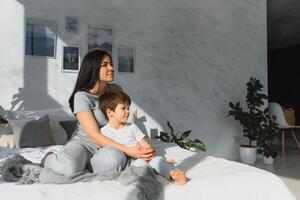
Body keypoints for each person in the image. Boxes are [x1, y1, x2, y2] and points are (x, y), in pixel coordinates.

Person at [43, 50, 155, 176]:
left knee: (115, 160)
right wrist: (128, 150)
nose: (111, 68)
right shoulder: (81, 96)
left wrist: (140, 146)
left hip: (110, 143)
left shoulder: (115, 90)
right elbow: (93, 136)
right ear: (93, 68)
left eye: (111, 64)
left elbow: (122, 122)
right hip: (84, 144)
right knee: (67, 170)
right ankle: (49, 157)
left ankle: (87, 165)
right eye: (105, 64)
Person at [99, 90, 187, 185]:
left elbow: (145, 144)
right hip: (128, 162)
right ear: (109, 112)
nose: (127, 112)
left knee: (157, 161)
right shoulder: (104, 132)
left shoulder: (132, 127)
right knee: (140, 166)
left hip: (142, 156)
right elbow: (107, 152)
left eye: (128, 108)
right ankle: (155, 170)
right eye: (123, 108)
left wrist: (148, 152)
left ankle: (174, 174)